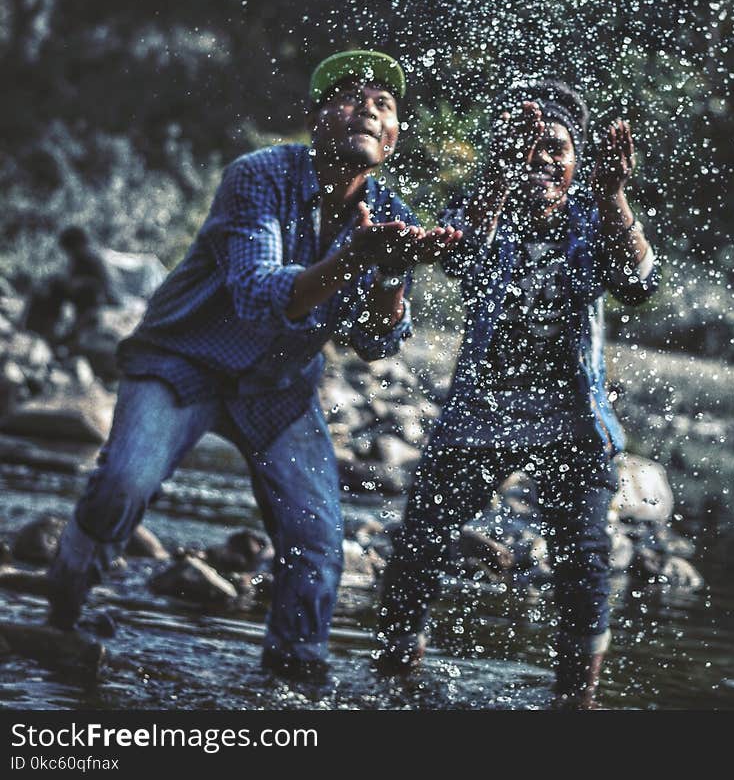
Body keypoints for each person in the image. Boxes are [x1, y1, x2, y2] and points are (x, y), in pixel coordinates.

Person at [46, 50, 461, 682]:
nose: (369, 111)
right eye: (351, 98)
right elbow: (259, 292)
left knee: (317, 539)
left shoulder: (389, 213)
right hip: (183, 363)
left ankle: (294, 677)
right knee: (121, 486)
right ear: (316, 116)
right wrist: (355, 257)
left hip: (276, 386)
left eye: (385, 105)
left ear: (397, 136)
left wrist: (392, 274)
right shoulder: (258, 175)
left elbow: (377, 343)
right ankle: (61, 614)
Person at [375, 78, 660, 708]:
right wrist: (495, 180)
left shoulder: (593, 217)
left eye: (556, 148)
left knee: (583, 564)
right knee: (416, 548)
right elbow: (456, 255)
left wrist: (615, 197)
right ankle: (394, 685)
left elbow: (639, 281)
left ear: (578, 161)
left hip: (574, 422)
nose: (542, 160)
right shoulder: (485, 206)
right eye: (526, 147)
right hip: (479, 417)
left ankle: (575, 707)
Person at [23, 226, 119, 339]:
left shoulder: (93, 259)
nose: (70, 253)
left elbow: (105, 287)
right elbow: (68, 279)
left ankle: (72, 331)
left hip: (97, 299)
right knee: (49, 290)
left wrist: (80, 283)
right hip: (81, 295)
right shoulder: (77, 259)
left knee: (77, 291)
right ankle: (42, 327)